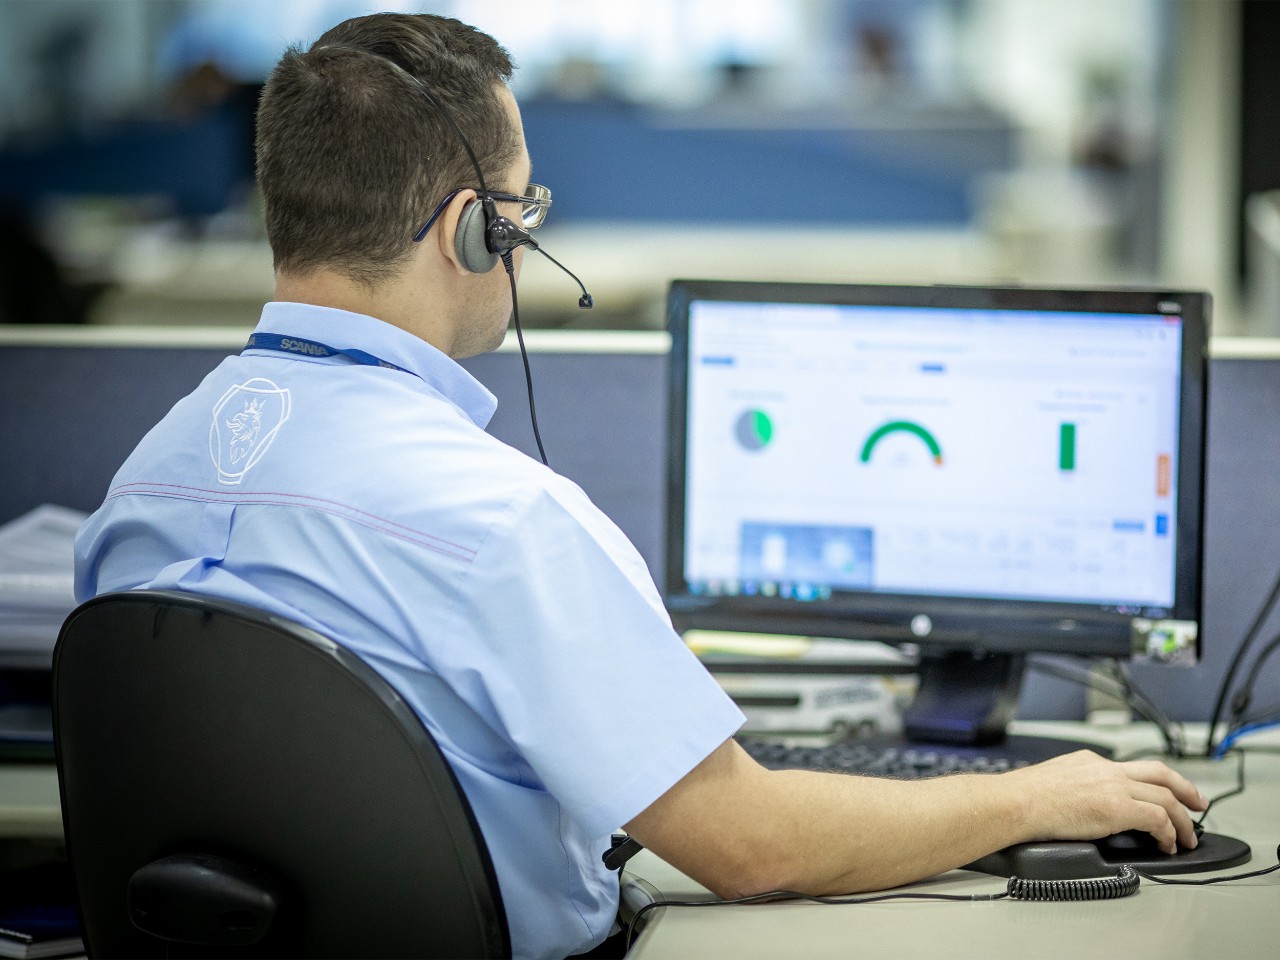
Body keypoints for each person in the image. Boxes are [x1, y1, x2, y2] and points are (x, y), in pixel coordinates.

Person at [73, 13, 1208, 960]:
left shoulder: (141, 481)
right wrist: (1041, 795)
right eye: (525, 209)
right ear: (480, 232)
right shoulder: (502, 521)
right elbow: (751, 845)